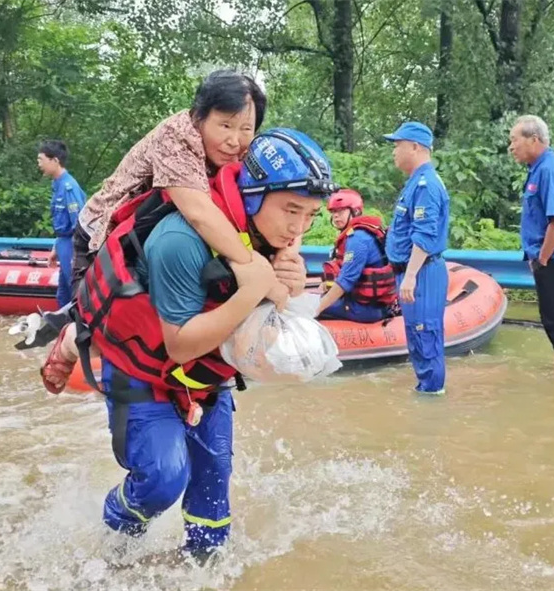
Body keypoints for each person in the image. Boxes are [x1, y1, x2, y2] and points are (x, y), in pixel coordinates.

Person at [51, 129, 335, 559]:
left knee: (213, 484)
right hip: (143, 369)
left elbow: (262, 320)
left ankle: (204, 567)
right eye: (292, 211)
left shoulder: (272, 237)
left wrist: (289, 286)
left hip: (205, 377)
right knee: (163, 478)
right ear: (254, 196)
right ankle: (111, 552)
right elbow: (181, 346)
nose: (299, 226)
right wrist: (252, 289)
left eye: (311, 215)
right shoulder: (179, 241)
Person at [40, 70, 297, 390]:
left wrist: (286, 257)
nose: (235, 140)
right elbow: (199, 212)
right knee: (105, 322)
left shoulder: (246, 150)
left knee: (174, 317)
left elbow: (287, 198)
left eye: (246, 128)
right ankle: (67, 341)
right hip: (105, 230)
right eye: (225, 125)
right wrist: (257, 273)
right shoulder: (176, 135)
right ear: (199, 115)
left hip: (161, 235)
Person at [509, 115, 554, 377]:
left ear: (534, 139)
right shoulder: (538, 168)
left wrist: (542, 259)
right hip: (551, 258)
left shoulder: (550, 168)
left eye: (514, 140)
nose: (511, 146)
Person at [384, 122, 450, 395]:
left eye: (397, 146)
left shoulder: (426, 185)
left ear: (415, 146)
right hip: (413, 271)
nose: (394, 152)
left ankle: (432, 398)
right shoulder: (415, 183)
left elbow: (424, 234)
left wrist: (410, 276)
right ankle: (425, 391)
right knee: (417, 337)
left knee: (426, 335)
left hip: (422, 273)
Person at [316, 189, 396, 322]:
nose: (336, 216)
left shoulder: (357, 239)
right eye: (334, 212)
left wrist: (316, 308)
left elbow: (346, 281)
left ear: (356, 211)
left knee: (308, 305)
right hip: (370, 304)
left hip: (364, 309)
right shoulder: (359, 233)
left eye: (340, 211)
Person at [37, 140, 86, 307]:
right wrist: (55, 248)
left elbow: (79, 223)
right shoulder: (57, 185)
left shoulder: (68, 187)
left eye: (41, 159)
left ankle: (78, 328)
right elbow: (60, 222)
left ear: (55, 160)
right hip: (63, 243)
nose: (39, 164)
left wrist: (75, 254)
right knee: (63, 294)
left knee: (74, 291)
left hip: (72, 245)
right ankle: (63, 328)